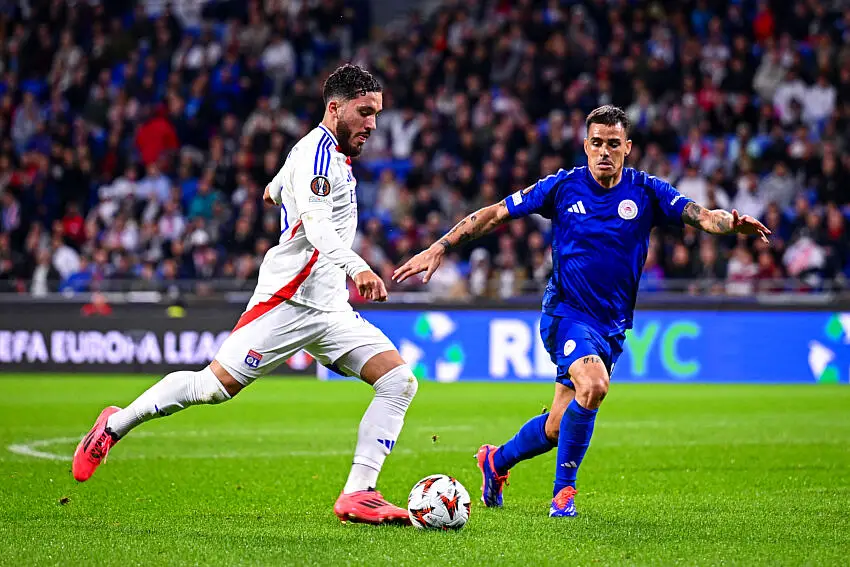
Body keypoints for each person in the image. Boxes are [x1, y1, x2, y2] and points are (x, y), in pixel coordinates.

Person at [72, 65, 418, 526]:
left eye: (376, 113)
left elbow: (272, 190)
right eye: (365, 112)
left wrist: (277, 190)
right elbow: (317, 227)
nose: (373, 124)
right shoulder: (316, 156)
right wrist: (358, 267)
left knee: (399, 381)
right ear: (335, 108)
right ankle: (114, 424)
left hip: (331, 308)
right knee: (211, 388)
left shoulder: (326, 155)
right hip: (287, 301)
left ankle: (359, 493)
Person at [393, 105, 769, 517]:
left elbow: (703, 216)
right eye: (597, 143)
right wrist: (440, 246)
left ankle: (495, 461)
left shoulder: (647, 191)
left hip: (612, 325)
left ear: (628, 147)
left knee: (558, 425)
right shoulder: (562, 187)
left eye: (613, 144)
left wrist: (730, 224)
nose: (604, 151)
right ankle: (563, 494)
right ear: (585, 145)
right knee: (594, 385)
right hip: (567, 314)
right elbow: (496, 213)